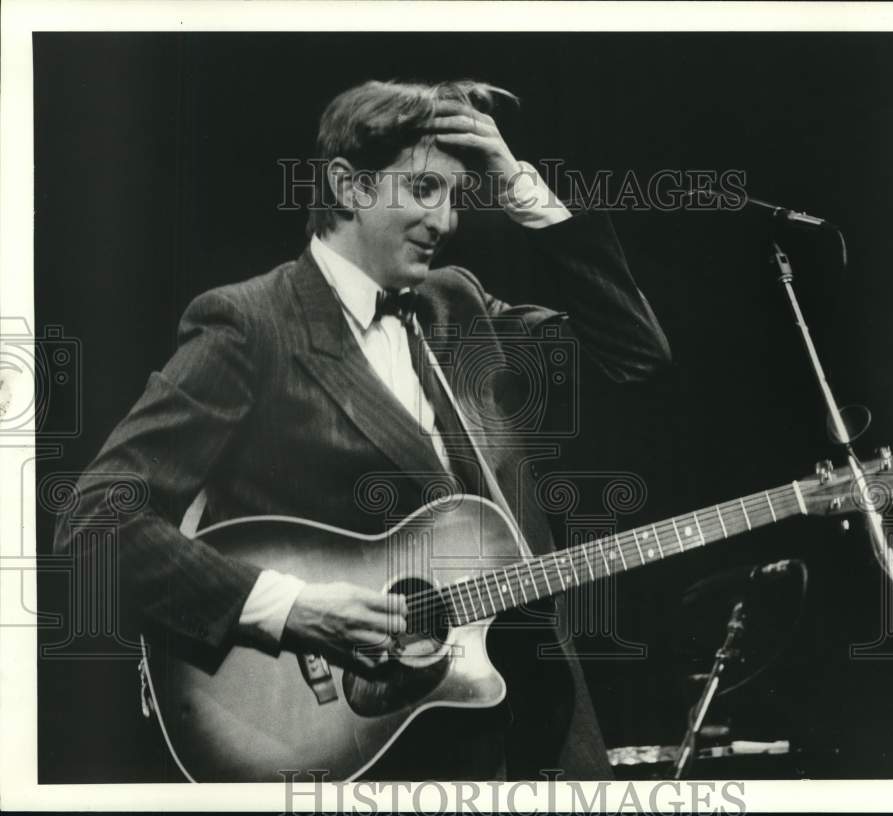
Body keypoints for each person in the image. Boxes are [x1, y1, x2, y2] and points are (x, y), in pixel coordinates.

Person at [54, 78, 671, 780]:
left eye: (459, 196)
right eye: (425, 190)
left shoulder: (455, 303)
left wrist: (519, 184)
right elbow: (96, 525)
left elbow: (636, 358)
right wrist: (292, 609)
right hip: (366, 756)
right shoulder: (251, 325)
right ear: (348, 187)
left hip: (536, 736)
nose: (448, 222)